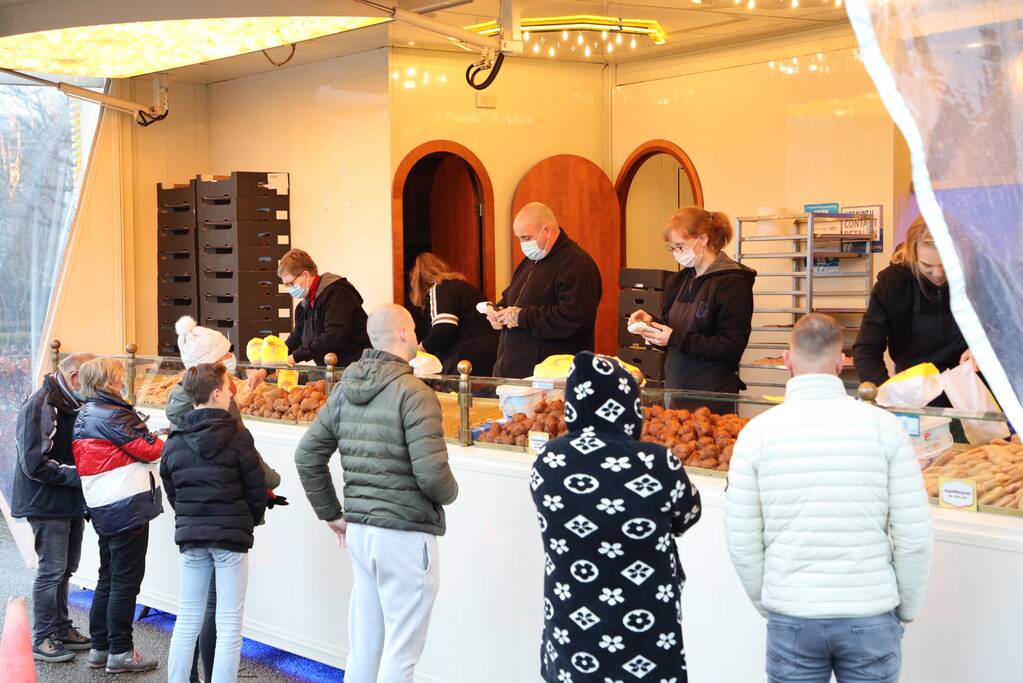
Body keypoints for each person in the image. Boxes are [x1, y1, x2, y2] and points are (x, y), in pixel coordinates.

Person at [725, 313, 934, 683]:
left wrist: (770, 601)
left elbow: (741, 540)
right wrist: (905, 610)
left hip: (792, 615)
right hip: (870, 612)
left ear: (788, 360)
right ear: (841, 363)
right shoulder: (885, 427)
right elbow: (914, 537)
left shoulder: (757, 433)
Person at [294, 303, 458, 683]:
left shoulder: (345, 389)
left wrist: (332, 514)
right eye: (414, 330)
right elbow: (433, 476)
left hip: (361, 532)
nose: (417, 337)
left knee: (365, 647)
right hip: (405, 532)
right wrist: (451, 492)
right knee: (401, 654)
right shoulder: (415, 393)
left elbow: (307, 456)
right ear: (401, 333)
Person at [530, 351, 702, 683]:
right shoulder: (657, 462)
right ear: (628, 405)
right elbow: (689, 513)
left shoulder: (549, 461)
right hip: (646, 625)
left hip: (572, 622)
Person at [168, 315, 285, 683]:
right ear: (217, 392)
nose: (233, 388)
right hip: (231, 538)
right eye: (227, 385)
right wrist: (246, 520)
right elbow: (254, 487)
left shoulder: (174, 440)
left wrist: (188, 516)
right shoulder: (237, 437)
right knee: (229, 623)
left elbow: (172, 489)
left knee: (187, 618)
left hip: (191, 537)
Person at [72, 357, 164, 674]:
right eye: (120, 375)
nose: (124, 379)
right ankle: (121, 652)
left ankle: (101, 648)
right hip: (126, 506)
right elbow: (149, 449)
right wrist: (161, 436)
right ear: (109, 381)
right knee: (125, 582)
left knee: (108, 577)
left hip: (103, 505)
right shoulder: (114, 413)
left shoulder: (86, 411)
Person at [12, 352, 95, 662]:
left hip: (70, 500)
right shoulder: (40, 404)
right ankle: (43, 636)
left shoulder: (72, 403)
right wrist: (82, 475)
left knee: (65, 569)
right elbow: (34, 463)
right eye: (90, 382)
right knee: (51, 570)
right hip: (46, 502)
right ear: (74, 378)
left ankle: (61, 629)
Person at [629, 207, 756, 400]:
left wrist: (674, 338)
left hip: (713, 393)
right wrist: (651, 325)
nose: (676, 253)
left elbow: (731, 347)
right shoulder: (678, 281)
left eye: (679, 246)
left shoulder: (732, 283)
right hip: (676, 388)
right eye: (671, 248)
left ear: (703, 240)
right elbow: (672, 334)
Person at [854, 215, 974, 392]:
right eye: (927, 266)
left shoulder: (979, 278)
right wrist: (885, 393)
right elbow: (867, 348)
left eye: (946, 265)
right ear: (912, 253)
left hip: (972, 390)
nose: (938, 274)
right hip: (915, 393)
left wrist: (987, 351)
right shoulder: (893, 283)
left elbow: (1008, 331)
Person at [489, 202, 602, 379]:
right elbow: (511, 296)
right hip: (514, 371)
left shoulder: (576, 263)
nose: (523, 244)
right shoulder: (531, 260)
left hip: (549, 378)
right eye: (519, 238)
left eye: (526, 238)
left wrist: (522, 317)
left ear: (547, 230)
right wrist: (498, 311)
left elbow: (574, 317)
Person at [408, 252, 498, 375]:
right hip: (493, 354)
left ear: (418, 280)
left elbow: (443, 329)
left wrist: (420, 349)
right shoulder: (466, 288)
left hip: (466, 358)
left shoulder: (439, 288)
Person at [278, 248, 370, 367]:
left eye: (290, 284)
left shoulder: (337, 294)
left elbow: (334, 336)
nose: (289, 289)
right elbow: (295, 340)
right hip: (331, 372)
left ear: (305, 275)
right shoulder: (304, 307)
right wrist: (267, 368)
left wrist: (296, 357)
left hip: (356, 370)